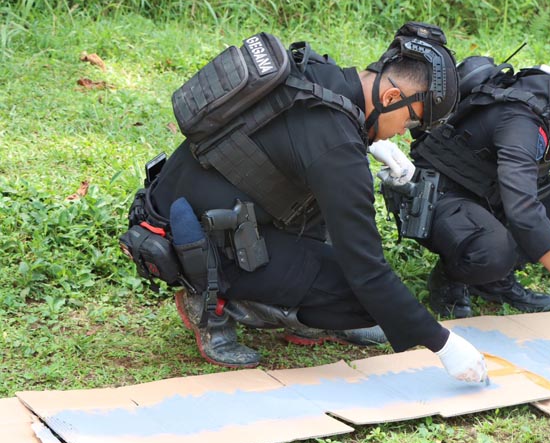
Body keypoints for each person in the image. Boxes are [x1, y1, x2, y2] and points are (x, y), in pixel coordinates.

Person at [121, 22, 488, 383]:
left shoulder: (318, 73)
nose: (402, 136)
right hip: (199, 245)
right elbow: (367, 269)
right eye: (408, 124)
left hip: (178, 203)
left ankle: (283, 303)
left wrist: (372, 141)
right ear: (391, 98)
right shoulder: (338, 151)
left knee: (353, 270)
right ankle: (218, 301)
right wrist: (445, 345)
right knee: (365, 299)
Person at [378, 31, 550, 341]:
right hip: (444, 196)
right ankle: (452, 277)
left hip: (491, 197)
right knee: (494, 251)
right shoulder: (521, 118)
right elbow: (523, 211)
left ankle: (493, 280)